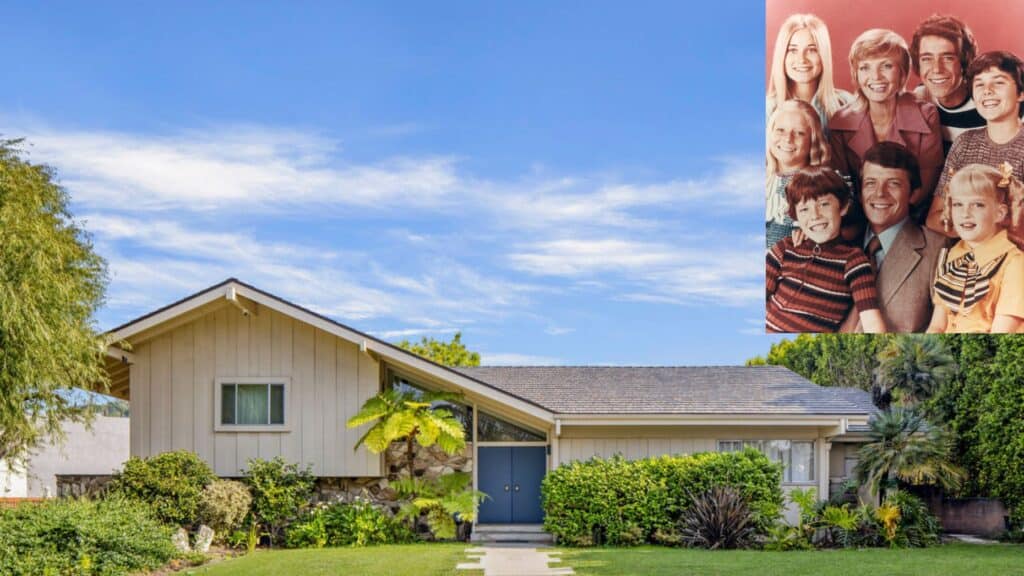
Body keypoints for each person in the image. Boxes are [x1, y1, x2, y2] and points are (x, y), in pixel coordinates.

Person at [829, 29, 943, 224]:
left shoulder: (926, 115)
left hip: (913, 220)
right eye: (865, 67)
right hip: (858, 221)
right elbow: (843, 187)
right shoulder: (841, 122)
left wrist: (886, 225)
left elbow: (924, 188)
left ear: (902, 73)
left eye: (886, 66)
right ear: (856, 74)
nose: (876, 77)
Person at [838, 142, 945, 333]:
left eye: (893, 184)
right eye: (870, 183)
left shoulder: (938, 250)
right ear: (860, 194)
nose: (880, 193)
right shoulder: (839, 241)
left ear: (913, 194)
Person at [767, 166, 885, 333]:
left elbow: (871, 321)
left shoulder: (853, 260)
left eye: (823, 204)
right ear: (795, 216)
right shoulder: (785, 248)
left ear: (843, 207)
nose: (815, 215)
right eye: (804, 209)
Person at [927, 51, 1024, 236]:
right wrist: (975, 231)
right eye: (979, 84)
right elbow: (934, 218)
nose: (987, 90)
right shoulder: (965, 143)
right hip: (965, 255)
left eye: (999, 82)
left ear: (1021, 93)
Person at [928, 163, 1024, 333]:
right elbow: (937, 325)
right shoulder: (954, 254)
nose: (965, 213)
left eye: (977, 205)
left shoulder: (1015, 263)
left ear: (999, 213)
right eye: (958, 204)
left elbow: (1002, 334)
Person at [767, 13, 850, 133]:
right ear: (782, 56)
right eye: (793, 50)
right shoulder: (766, 110)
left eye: (812, 50)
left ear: (823, 55)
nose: (801, 59)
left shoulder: (847, 104)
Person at [910, 14, 980, 154]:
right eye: (927, 58)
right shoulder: (920, 98)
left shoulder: (986, 100)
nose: (937, 69)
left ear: (964, 61)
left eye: (948, 58)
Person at [766, 99, 831, 247]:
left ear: (813, 140)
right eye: (780, 130)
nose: (788, 139)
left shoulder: (823, 184)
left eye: (799, 133)